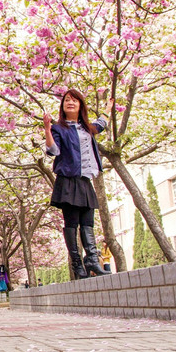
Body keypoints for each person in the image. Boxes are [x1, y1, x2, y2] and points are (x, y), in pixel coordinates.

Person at [43, 90, 114, 280]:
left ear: (81, 105)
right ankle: (77, 264)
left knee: (88, 222)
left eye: (74, 100)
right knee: (72, 223)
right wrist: (48, 130)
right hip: (68, 181)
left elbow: (101, 125)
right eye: (67, 100)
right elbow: (53, 150)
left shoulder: (87, 128)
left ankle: (91, 260)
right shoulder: (59, 128)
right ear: (63, 106)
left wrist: (108, 108)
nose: (70, 103)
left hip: (85, 180)